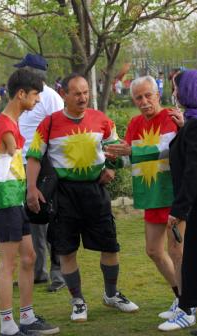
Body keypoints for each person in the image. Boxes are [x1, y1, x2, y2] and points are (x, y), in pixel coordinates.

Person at [26, 73, 139, 323]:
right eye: (76, 93)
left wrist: (112, 168)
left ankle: (111, 295)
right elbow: (34, 157)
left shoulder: (101, 120)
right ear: (64, 94)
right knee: (66, 250)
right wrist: (31, 188)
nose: (83, 97)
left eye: (86, 92)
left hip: (95, 193)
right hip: (64, 195)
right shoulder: (49, 123)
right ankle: (77, 301)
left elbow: (115, 152)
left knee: (109, 245)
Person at [0, 68, 60, 336]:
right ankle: (7, 325)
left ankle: (26, 317)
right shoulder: (5, 125)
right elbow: (16, 152)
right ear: (21, 94)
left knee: (29, 257)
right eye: (35, 94)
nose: (38, 100)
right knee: (9, 263)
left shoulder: (10, 122)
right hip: (6, 203)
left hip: (14, 200)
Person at [105, 75, 185, 321]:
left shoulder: (172, 116)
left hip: (173, 193)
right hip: (151, 195)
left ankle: (187, 305)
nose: (144, 101)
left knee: (177, 251)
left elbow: (167, 146)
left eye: (148, 95)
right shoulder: (135, 123)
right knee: (153, 250)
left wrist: (132, 150)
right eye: (138, 97)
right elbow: (130, 156)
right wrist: (113, 155)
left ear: (157, 95)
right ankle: (181, 297)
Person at [16, 53, 65, 291]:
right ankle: (38, 271)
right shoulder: (23, 96)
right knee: (33, 217)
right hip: (22, 163)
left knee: (52, 217)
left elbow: (59, 131)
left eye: (22, 70)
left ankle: (59, 274)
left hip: (45, 163)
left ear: (33, 72)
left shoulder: (51, 98)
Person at [158, 70, 197, 332]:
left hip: (192, 203)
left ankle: (188, 309)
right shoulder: (191, 123)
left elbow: (193, 171)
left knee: (192, 258)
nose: (175, 93)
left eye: (177, 87)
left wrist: (180, 209)